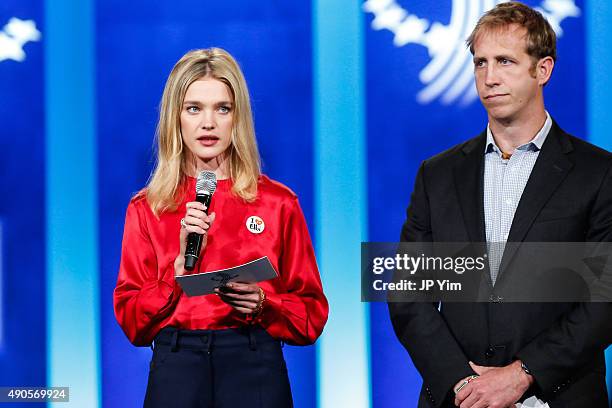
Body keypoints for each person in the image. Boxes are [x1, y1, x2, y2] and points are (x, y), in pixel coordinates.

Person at [388, 2, 612, 407]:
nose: (489, 78)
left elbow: (605, 297)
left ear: (542, 69)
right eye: (480, 63)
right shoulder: (436, 175)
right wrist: (461, 383)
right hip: (459, 398)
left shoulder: (597, 173)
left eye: (505, 61)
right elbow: (407, 291)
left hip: (557, 395)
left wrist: (523, 375)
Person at [113, 47, 329, 408]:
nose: (208, 123)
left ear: (237, 117)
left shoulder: (278, 203)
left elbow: (311, 316)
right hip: (177, 367)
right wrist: (177, 271)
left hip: (253, 361)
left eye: (222, 108)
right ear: (175, 118)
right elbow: (133, 322)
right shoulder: (147, 207)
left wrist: (265, 303)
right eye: (194, 108)